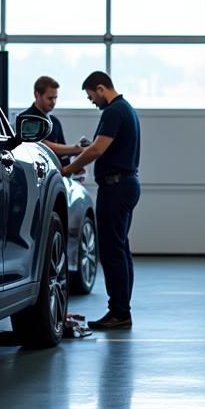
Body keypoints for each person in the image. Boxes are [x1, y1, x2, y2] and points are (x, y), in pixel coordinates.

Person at [62, 72, 141, 331]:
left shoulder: (113, 112)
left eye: (91, 96)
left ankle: (119, 312)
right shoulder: (126, 109)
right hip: (126, 184)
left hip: (116, 187)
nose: (92, 102)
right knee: (120, 249)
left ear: (100, 88)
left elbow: (97, 149)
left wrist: (69, 169)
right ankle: (121, 310)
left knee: (111, 251)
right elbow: (98, 146)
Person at [16, 76, 83, 160]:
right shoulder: (25, 119)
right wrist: (75, 149)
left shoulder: (55, 121)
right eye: (50, 98)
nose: (54, 102)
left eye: (55, 98)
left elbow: (63, 152)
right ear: (37, 95)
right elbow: (39, 145)